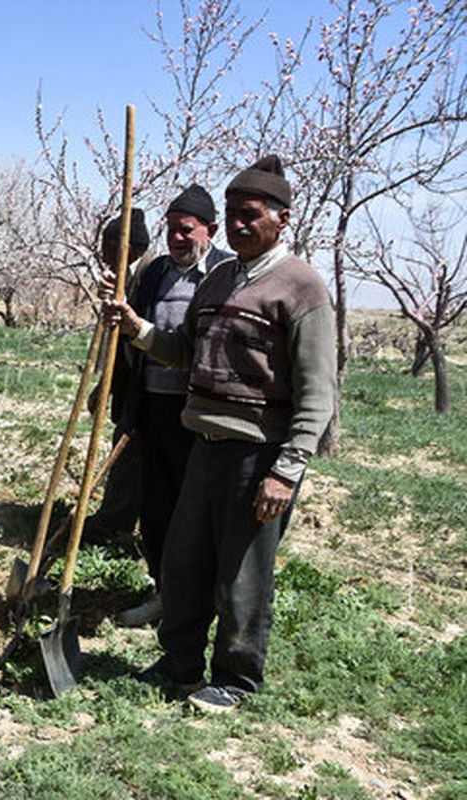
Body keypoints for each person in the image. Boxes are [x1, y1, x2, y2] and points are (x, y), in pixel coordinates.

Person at [103, 155, 336, 713]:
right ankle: (179, 662)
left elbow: (317, 394)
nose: (237, 224)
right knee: (184, 564)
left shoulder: (301, 288)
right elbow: (185, 353)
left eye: (249, 214)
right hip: (202, 446)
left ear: (282, 219)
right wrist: (137, 330)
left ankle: (235, 677)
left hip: (258, 455)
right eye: (230, 214)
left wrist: (288, 470)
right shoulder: (219, 279)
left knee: (242, 576)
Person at [108, 186, 234, 628]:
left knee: (195, 514)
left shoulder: (225, 273)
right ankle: (164, 592)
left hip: (197, 415)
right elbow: (132, 335)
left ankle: (201, 602)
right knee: (156, 509)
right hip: (152, 409)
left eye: (187, 230)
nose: (177, 239)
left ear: (210, 230)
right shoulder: (157, 271)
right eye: (171, 230)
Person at [79, 209, 154, 551]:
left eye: (106, 247)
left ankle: (114, 523)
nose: (102, 255)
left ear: (122, 246)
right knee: (128, 451)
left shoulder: (152, 273)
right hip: (128, 382)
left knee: (130, 453)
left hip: (149, 386)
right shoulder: (126, 275)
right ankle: (117, 518)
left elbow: (139, 335)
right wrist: (102, 386)